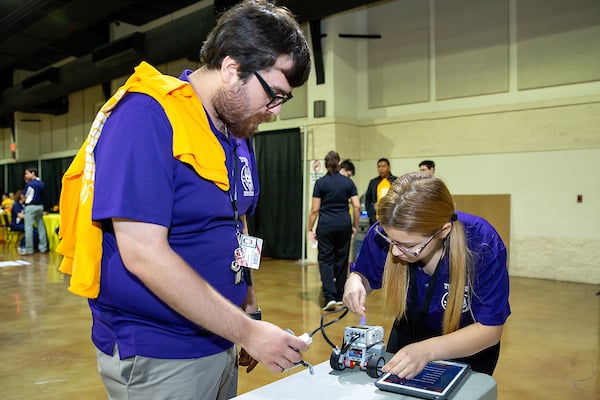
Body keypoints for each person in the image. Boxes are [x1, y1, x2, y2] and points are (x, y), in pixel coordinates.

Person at [57, 1, 312, 399]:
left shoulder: (236, 133)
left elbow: (239, 224)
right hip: (161, 354)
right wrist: (248, 331)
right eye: (274, 95)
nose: (274, 112)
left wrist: (248, 309)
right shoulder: (148, 116)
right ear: (232, 69)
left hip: (222, 336)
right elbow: (142, 252)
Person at [344, 172, 510, 378]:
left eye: (409, 245)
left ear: (443, 231)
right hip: (409, 337)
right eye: (391, 242)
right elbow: (365, 275)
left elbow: (490, 329)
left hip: (467, 345)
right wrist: (356, 280)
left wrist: (427, 350)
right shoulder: (387, 231)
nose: (395, 251)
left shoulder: (482, 243)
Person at [308, 151, 360, 311]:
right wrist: (354, 226)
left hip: (326, 225)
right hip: (344, 224)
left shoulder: (321, 183)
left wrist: (309, 228)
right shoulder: (348, 183)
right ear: (339, 164)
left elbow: (315, 210)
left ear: (325, 164)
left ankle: (329, 297)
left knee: (326, 260)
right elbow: (357, 206)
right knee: (341, 259)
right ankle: (339, 296)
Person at [19, 167, 48, 255]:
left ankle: (29, 249)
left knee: (28, 228)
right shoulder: (42, 184)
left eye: (27, 173)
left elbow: (24, 196)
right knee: (41, 227)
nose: (26, 176)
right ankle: (43, 248)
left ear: (33, 173)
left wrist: (23, 199)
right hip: (40, 207)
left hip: (30, 207)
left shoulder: (30, 184)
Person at [364, 158, 396, 225]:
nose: (381, 169)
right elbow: (368, 199)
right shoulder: (373, 182)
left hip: (391, 218)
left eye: (384, 166)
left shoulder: (395, 181)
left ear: (389, 167)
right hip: (376, 218)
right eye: (379, 167)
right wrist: (371, 212)